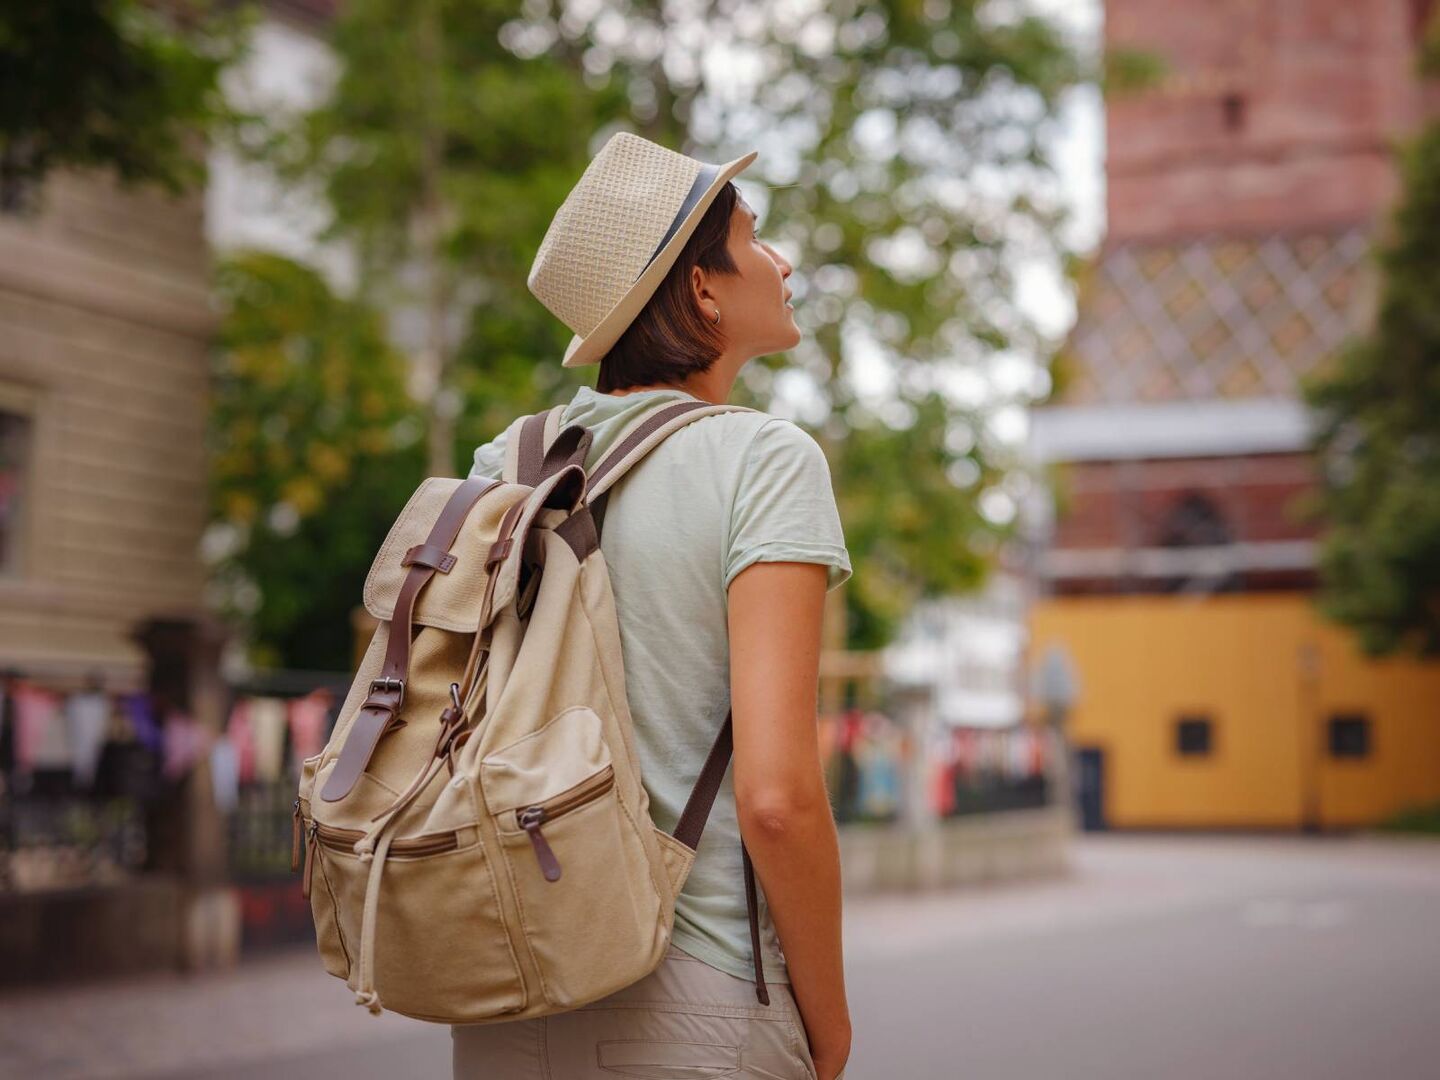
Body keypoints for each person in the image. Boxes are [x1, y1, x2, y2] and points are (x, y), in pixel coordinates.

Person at [453, 132, 853, 1080]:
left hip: (506, 994)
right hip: (696, 1000)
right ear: (703, 288)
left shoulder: (504, 465)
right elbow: (778, 800)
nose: (781, 259)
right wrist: (828, 1027)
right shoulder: (765, 460)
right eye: (754, 237)